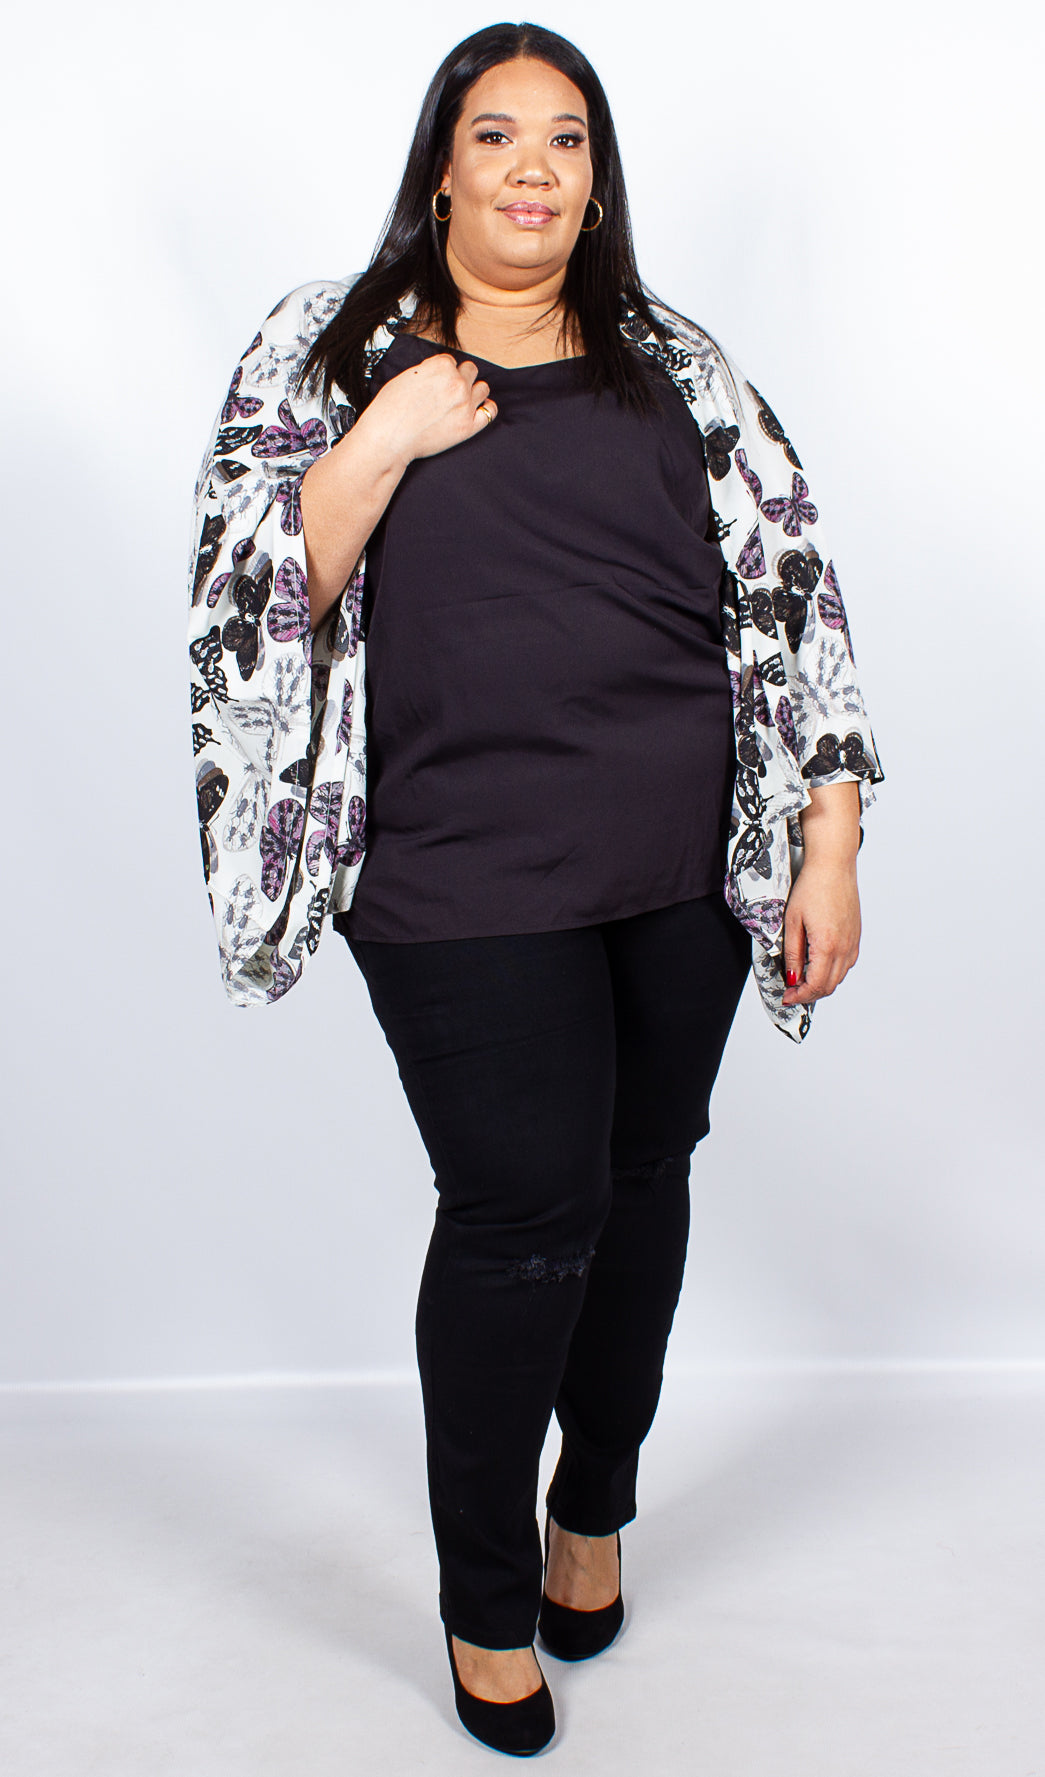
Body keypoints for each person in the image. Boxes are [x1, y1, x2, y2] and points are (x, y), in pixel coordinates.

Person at [187, 21, 883, 1756]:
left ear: (594, 177)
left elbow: (794, 585)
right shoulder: (328, 348)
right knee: (521, 1212)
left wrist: (828, 838)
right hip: (453, 865)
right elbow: (245, 604)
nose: (530, 168)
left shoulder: (675, 363)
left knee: (639, 1179)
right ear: (442, 166)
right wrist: (386, 434)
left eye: (564, 139)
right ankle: (485, 1599)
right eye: (494, 134)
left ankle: (595, 1506)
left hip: (675, 860)